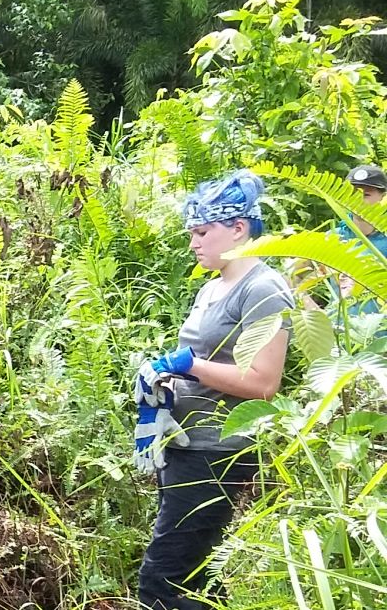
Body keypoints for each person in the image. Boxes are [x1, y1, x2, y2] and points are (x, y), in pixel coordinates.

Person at [136, 170, 292, 610]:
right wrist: (163, 379)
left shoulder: (263, 289)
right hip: (185, 443)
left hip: (217, 450)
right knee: (196, 577)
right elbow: (205, 362)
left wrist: (188, 365)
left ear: (239, 228)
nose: (194, 243)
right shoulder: (212, 285)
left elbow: (263, 384)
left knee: (161, 582)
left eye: (203, 232)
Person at [333, 164, 386, 316]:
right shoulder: (333, 237)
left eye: (366, 195)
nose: (358, 200)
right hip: (340, 334)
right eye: (353, 193)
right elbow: (295, 273)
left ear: (382, 197)